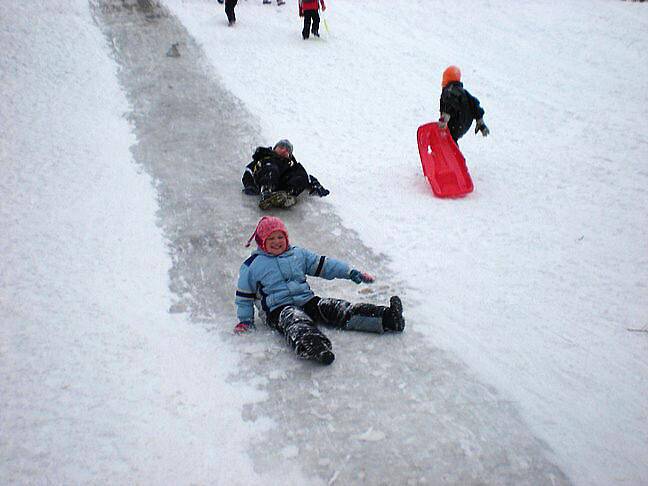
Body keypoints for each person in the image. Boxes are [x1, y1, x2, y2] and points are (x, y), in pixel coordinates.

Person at [234, 216, 405, 365]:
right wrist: (245, 320)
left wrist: (349, 272)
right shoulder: (252, 266)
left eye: (280, 237)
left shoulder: (297, 254)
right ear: (261, 242)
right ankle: (314, 346)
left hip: (306, 300)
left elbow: (324, 265)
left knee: (335, 307)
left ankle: (387, 318)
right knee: (295, 321)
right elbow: (244, 296)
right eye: (271, 239)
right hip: (278, 309)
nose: (277, 242)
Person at [242, 139, 330, 210]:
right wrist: (249, 185)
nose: (284, 150)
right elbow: (248, 171)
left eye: (288, 150)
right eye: (281, 147)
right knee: (271, 168)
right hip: (266, 177)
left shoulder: (291, 165)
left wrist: (317, 186)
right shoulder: (265, 157)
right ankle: (266, 192)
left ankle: (287, 195)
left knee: (299, 174)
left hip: (281, 184)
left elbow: (307, 177)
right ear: (274, 148)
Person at [438, 65, 490, 143]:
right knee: (452, 138)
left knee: (447, 136)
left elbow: (449, 104)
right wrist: (481, 123)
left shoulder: (448, 92)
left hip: (454, 125)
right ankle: (453, 149)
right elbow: (475, 104)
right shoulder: (464, 92)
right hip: (464, 126)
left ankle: (445, 147)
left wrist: (443, 120)